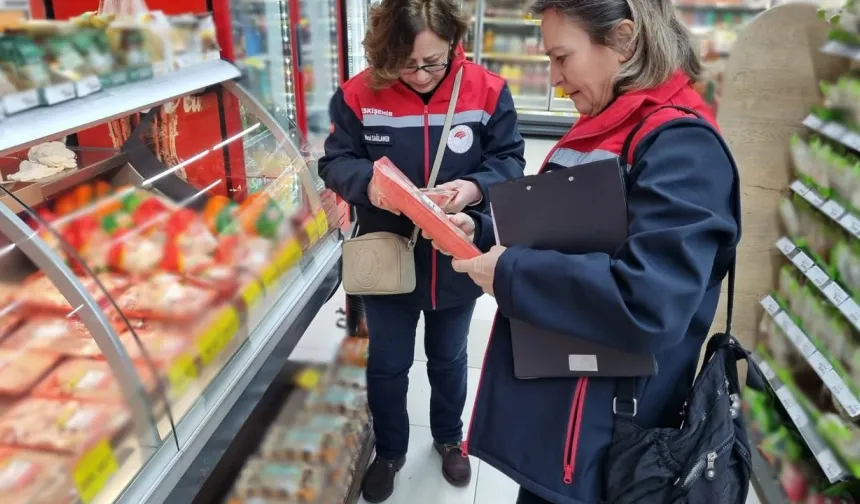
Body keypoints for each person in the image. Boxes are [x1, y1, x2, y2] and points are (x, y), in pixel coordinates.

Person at [426, 1, 741, 503]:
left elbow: (649, 303)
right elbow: (569, 233)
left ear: (622, 40)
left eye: (562, 57)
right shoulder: (607, 122)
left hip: (608, 446)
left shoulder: (682, 148)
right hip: (565, 426)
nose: (555, 79)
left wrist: (511, 271)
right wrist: (484, 231)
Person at [317, 0, 526, 502]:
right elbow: (335, 162)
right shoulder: (359, 94)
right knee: (386, 364)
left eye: (435, 61)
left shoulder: (488, 91)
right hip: (387, 257)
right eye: (408, 64)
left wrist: (470, 190)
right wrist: (371, 184)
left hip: (457, 252)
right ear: (387, 54)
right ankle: (389, 450)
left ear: (455, 44)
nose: (423, 74)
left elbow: (509, 160)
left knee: (449, 358)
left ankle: (449, 438)